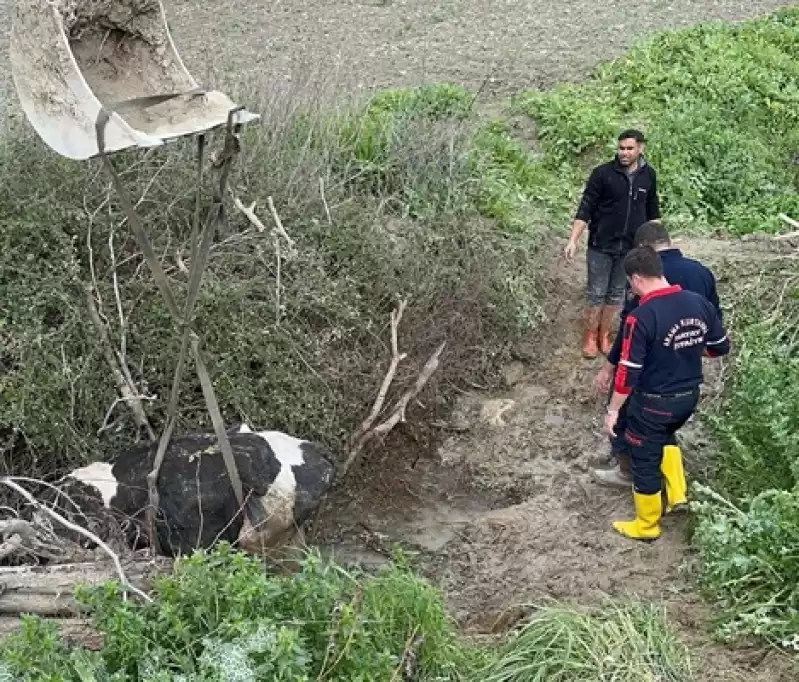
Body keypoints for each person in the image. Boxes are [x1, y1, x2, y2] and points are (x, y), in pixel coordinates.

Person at [592, 220, 723, 511]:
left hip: (651, 382)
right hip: (687, 380)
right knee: (664, 431)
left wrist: (611, 374)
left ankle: (634, 484)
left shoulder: (645, 301)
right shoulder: (701, 274)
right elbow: (717, 335)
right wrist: (688, 344)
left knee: (641, 442)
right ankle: (678, 493)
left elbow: (629, 337)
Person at [564, 129, 661, 359]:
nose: (624, 153)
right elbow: (585, 208)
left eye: (629, 148)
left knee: (617, 293)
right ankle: (590, 335)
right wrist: (573, 240)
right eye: (621, 148)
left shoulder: (648, 176)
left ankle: (604, 335)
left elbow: (653, 212)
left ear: (640, 148)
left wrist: (658, 244)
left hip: (630, 248)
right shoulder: (602, 174)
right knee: (596, 292)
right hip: (601, 244)